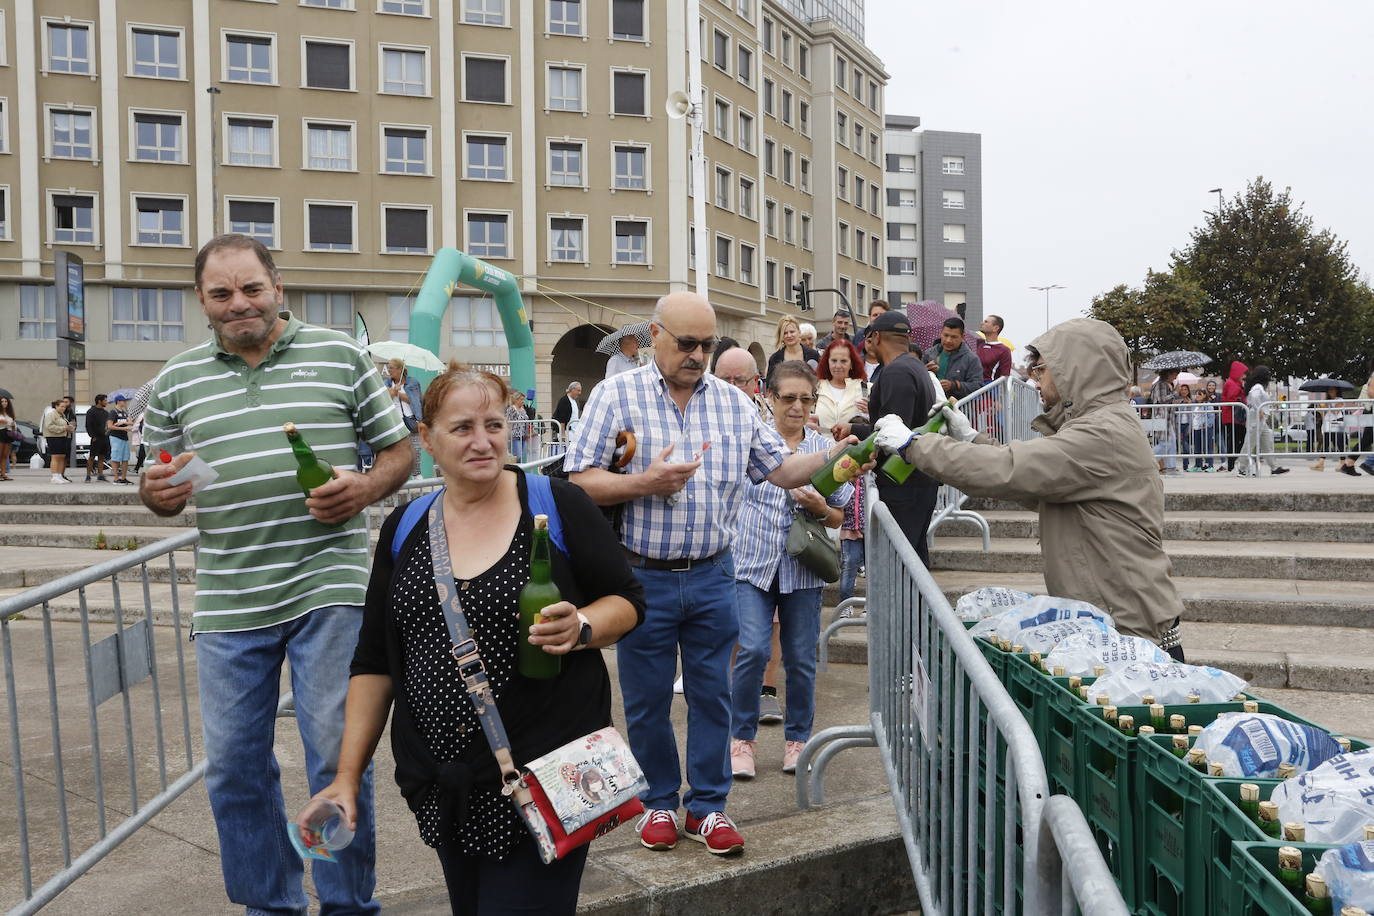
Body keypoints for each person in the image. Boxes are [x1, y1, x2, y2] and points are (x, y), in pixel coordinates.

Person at [139, 233, 413, 915]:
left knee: (333, 756)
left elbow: (401, 453)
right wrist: (157, 493)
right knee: (234, 767)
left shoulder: (342, 357)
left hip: (330, 583)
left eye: (251, 288)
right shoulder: (177, 381)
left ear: (277, 287)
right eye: (222, 293)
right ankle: (273, 903)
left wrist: (363, 489)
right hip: (231, 594)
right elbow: (157, 481)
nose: (239, 304)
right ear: (200, 301)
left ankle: (346, 903)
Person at [313, 364, 643, 916]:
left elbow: (628, 600)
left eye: (495, 423)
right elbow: (374, 662)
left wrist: (582, 627)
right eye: (462, 427)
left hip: (545, 777)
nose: (483, 440)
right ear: (426, 439)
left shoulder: (556, 506)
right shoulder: (405, 527)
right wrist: (345, 779)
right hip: (444, 785)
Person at [563, 291, 869, 857]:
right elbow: (577, 480)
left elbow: (780, 470)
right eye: (686, 343)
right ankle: (658, 801)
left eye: (706, 344)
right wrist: (641, 484)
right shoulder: (615, 394)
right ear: (654, 335)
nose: (698, 355)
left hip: (713, 574)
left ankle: (708, 807)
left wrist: (837, 456)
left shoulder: (733, 405)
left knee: (713, 696)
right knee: (648, 698)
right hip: (641, 577)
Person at [873, 318, 1188, 657]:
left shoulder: (1102, 433)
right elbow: (1031, 482)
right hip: (1117, 626)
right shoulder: (1101, 425)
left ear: (1073, 371)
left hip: (1130, 635)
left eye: (1041, 371)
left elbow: (1007, 469)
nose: (1036, 383)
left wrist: (914, 445)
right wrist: (969, 437)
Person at [728, 362, 852, 779]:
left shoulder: (826, 448)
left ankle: (798, 740)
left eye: (805, 399)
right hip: (751, 563)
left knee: (800, 658)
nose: (797, 407)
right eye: (788, 398)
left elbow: (839, 518)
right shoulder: (749, 442)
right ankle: (740, 738)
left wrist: (820, 507)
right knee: (752, 649)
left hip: (802, 569)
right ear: (769, 397)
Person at [831, 310, 940, 566]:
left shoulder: (895, 372)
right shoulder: (915, 367)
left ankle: (903, 608)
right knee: (911, 560)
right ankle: (915, 608)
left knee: (895, 563)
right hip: (918, 478)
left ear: (875, 337)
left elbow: (893, 433)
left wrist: (854, 430)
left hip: (901, 481)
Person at [711, 345, 783, 722]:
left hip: (761, 541)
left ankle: (765, 690)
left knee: (766, 627)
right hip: (722, 543)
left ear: (756, 383)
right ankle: (735, 692)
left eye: (741, 379)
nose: (734, 386)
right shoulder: (703, 417)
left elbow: (783, 467)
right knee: (733, 627)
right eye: (726, 379)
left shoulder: (765, 420)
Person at [1232, 365, 1290, 477]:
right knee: (1250, 443)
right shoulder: (1257, 387)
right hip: (1256, 418)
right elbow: (1254, 397)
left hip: (1260, 419)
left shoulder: (1258, 387)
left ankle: (1274, 467)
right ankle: (1241, 469)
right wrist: (1259, 409)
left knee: (1267, 442)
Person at [921, 317, 984, 400]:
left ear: (962, 337)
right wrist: (925, 371)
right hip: (931, 405)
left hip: (958, 408)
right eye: (946, 335)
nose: (948, 340)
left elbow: (978, 386)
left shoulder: (971, 359)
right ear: (941, 334)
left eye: (954, 337)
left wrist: (954, 385)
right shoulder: (929, 353)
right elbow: (917, 380)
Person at [815, 339, 868, 433]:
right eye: (834, 361)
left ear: (852, 363)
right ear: (827, 362)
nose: (838, 366)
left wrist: (871, 411)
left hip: (855, 446)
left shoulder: (866, 389)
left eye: (844, 361)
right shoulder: (816, 388)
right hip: (821, 446)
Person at [385, 357, 424, 477]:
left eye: (391, 367)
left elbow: (415, 401)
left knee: (415, 450)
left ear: (400, 369)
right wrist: (392, 391)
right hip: (394, 421)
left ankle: (417, 476)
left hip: (410, 419)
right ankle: (396, 478)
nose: (389, 370)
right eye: (388, 367)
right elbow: (383, 399)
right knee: (396, 450)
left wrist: (398, 393)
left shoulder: (412, 382)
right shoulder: (386, 383)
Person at [766, 315, 820, 381]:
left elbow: (820, 378)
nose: (789, 335)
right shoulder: (775, 358)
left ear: (799, 332)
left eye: (792, 332)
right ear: (781, 336)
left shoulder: (813, 354)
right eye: (785, 333)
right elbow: (770, 384)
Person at [1150, 369, 1182, 475]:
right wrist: (1175, 393)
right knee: (1165, 443)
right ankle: (1148, 459)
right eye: (1174, 374)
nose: (1175, 377)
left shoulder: (1166, 385)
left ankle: (1171, 468)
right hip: (1161, 417)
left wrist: (1176, 396)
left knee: (1171, 443)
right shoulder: (1160, 385)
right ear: (1168, 373)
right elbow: (1162, 399)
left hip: (1167, 418)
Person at [1221, 361, 1249, 471]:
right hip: (1232, 416)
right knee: (1234, 440)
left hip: (1236, 417)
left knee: (1238, 439)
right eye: (1243, 373)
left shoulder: (1235, 383)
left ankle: (1232, 461)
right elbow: (1231, 397)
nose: (1244, 376)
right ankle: (1231, 462)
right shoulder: (1231, 383)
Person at [42, 398, 75, 484]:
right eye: (61, 406)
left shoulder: (62, 415)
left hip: (62, 437)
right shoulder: (51, 414)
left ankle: (60, 475)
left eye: (64, 407)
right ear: (56, 406)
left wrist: (69, 428)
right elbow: (49, 426)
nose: (63, 408)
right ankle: (54, 476)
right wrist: (64, 428)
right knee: (55, 457)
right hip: (53, 437)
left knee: (62, 457)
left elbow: (65, 425)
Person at [974, 314, 1013, 382]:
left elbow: (1005, 376)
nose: (982, 323)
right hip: (973, 386)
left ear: (995, 328)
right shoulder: (977, 343)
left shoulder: (1004, 350)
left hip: (990, 388)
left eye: (986, 322)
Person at [1349, 371, 1374, 476]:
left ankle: (1348, 464)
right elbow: (1371, 392)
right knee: (1366, 439)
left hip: (1370, 410)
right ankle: (1368, 463)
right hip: (1371, 410)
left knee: (1366, 440)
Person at [85, 394, 111, 483]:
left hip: (105, 438)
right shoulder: (91, 411)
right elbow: (88, 425)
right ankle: (88, 475)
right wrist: (92, 436)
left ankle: (100, 475)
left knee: (102, 457)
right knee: (92, 457)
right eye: (105, 400)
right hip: (96, 438)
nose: (106, 402)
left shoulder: (105, 413)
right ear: (99, 401)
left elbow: (108, 425)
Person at [107, 394, 133, 484]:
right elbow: (110, 426)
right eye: (123, 401)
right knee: (116, 458)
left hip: (124, 437)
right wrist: (123, 428)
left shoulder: (125, 412)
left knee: (125, 458)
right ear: (118, 401)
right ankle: (116, 478)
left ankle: (123, 478)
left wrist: (124, 422)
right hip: (115, 437)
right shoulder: (113, 412)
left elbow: (131, 422)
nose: (125, 402)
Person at [0, 395, 16, 480]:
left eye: (6, 401)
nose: (4, 403)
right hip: (1, 432)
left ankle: (3, 473)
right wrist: (5, 421)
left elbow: (12, 423)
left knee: (5, 455)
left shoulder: (9, 413)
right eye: (2, 401)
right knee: (0, 454)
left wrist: (12, 424)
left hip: (8, 433)